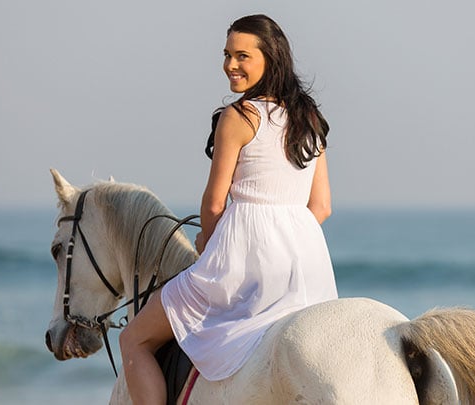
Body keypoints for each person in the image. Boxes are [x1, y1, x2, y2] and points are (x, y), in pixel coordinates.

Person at [119, 14, 338, 404]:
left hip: (243, 262)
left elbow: (214, 202)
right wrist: (285, 234)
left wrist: (208, 242)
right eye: (226, 55)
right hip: (306, 264)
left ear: (271, 58)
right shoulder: (310, 119)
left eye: (242, 56)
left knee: (133, 338)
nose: (230, 66)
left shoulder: (238, 117)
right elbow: (321, 206)